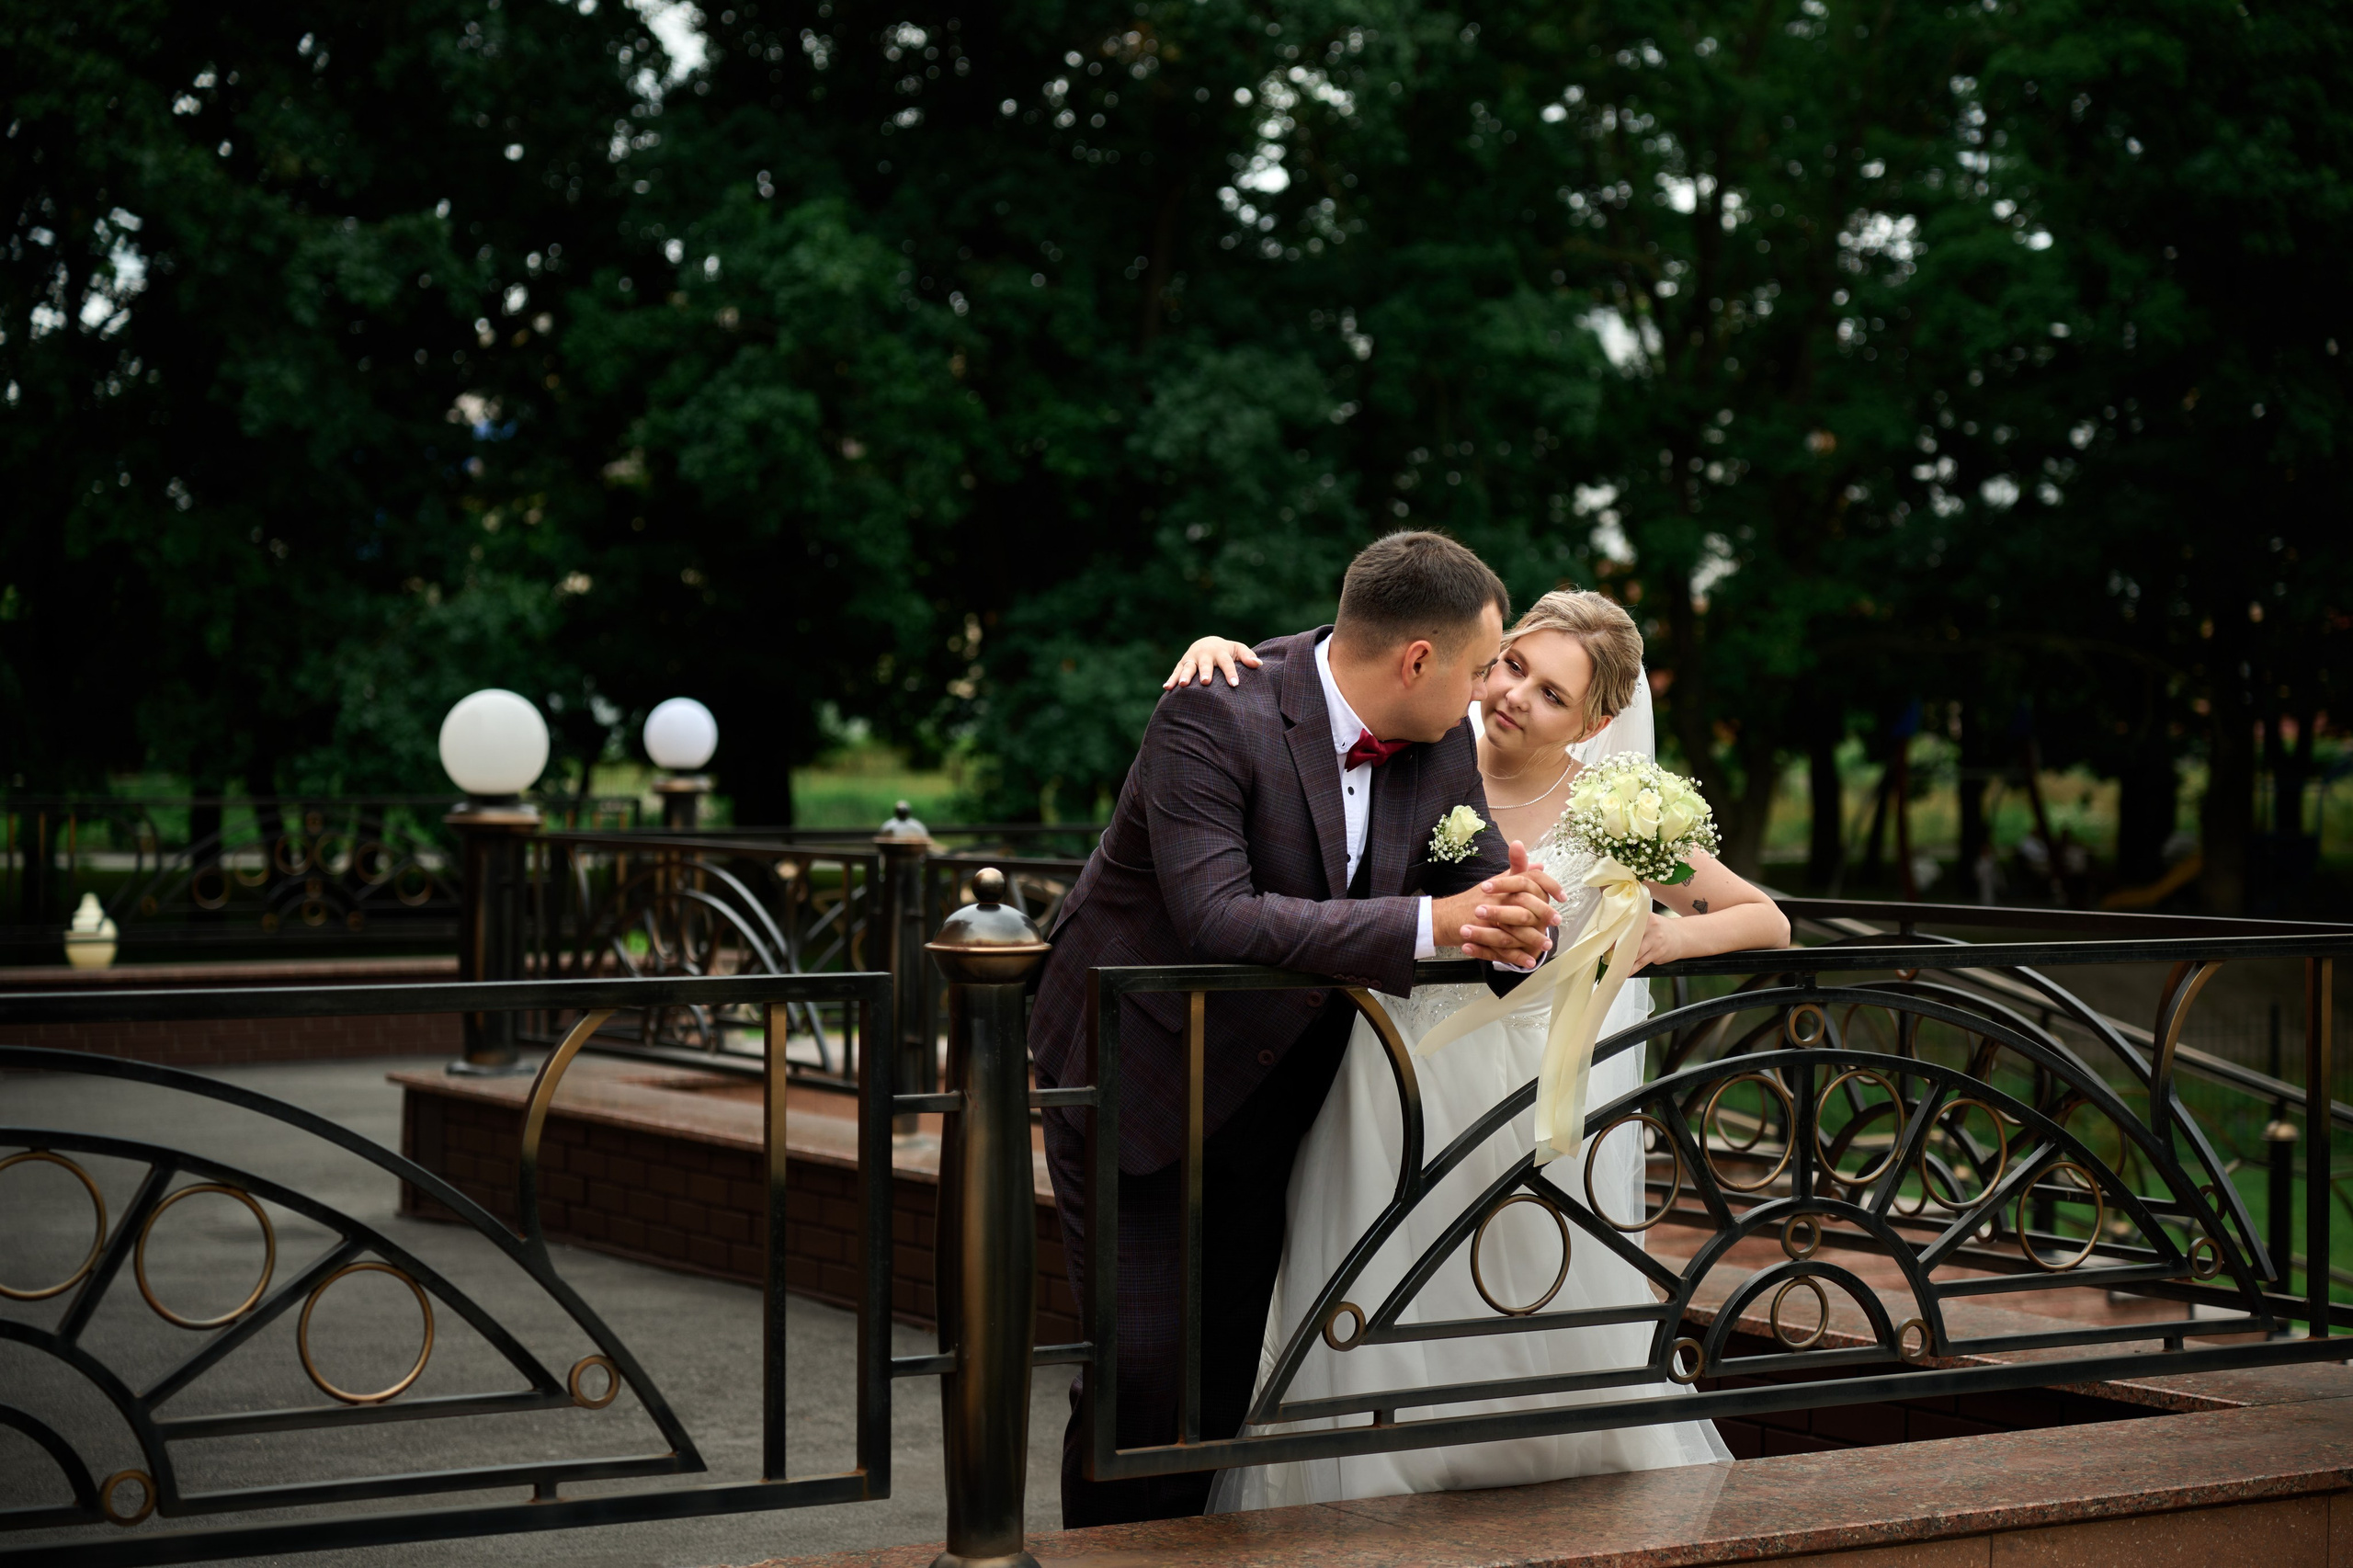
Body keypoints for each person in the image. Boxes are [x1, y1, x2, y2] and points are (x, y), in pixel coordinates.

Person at [1162, 589, 1789, 1509]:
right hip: (1394, 1071)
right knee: (1370, 1268)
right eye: (1512, 665)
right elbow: (1317, 692)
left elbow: (1764, 918)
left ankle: (1528, 1470)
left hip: (1534, 1093)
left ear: (1598, 720)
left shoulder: (1617, 805)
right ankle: (1369, 1470)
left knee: (1528, 1273)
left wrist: (1660, 939)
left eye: (1550, 693)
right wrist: (1225, 649)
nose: (1511, 695)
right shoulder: (1422, 739)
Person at [1029, 531, 1571, 1527]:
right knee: (1141, 1370)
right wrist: (1434, 922)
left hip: (1280, 1082)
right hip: (1137, 1060)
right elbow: (1219, 917)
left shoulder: (1438, 734)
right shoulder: (1209, 713)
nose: (1487, 691)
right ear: (1417, 658)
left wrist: (1513, 917)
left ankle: (1179, 1552)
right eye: (1481, 664)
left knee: (1224, 1363)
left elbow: (1470, 878)